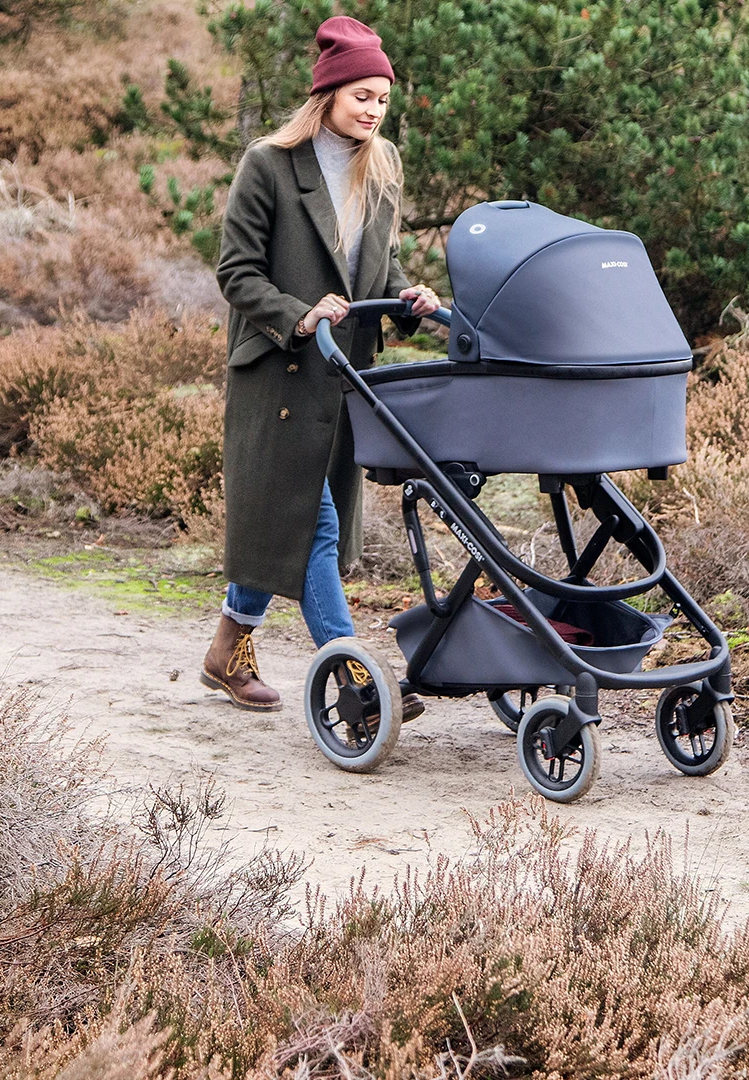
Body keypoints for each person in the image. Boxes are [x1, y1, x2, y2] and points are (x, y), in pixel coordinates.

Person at [201, 15, 441, 712]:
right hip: (279, 372)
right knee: (314, 523)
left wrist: (407, 296)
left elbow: (380, 266)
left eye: (382, 99)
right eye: (362, 95)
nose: (373, 110)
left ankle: (225, 652)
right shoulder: (268, 165)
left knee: (285, 517)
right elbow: (237, 272)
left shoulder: (382, 168)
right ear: (329, 93)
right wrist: (297, 314)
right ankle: (357, 680)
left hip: (341, 379)